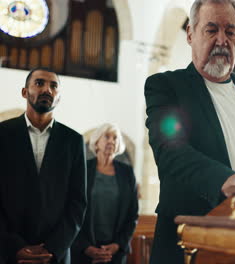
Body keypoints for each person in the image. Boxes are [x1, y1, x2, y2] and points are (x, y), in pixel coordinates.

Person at [144, 0, 235, 263]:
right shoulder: (165, 86)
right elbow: (170, 151)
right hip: (189, 240)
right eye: (211, 30)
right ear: (190, 34)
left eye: (231, 31)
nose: (222, 40)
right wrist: (226, 180)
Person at [0, 67, 87, 264]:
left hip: (55, 254)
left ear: (59, 97)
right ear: (25, 92)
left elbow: (77, 203)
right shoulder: (3, 134)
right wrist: (15, 247)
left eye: (53, 86)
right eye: (39, 83)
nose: (47, 89)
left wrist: (52, 248)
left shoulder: (73, 141)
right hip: (8, 253)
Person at [71, 124, 138, 264]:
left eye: (115, 138)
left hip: (115, 252)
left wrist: (117, 245)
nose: (111, 141)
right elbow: (72, 210)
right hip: (84, 251)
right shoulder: (83, 168)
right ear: (96, 142)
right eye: (107, 136)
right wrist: (86, 247)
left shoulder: (127, 173)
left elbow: (132, 215)